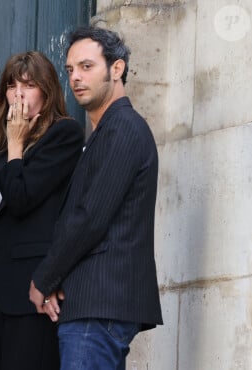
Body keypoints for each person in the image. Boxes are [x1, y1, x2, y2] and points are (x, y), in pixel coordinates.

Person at [29, 26, 163, 370]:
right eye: (71, 69)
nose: (75, 77)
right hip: (93, 305)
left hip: (99, 305)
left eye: (86, 67)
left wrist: (44, 279)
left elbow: (90, 217)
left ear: (116, 69)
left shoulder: (123, 128)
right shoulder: (106, 131)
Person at [0, 51, 84, 370]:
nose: (18, 94)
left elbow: (20, 199)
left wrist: (16, 146)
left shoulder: (64, 134)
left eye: (29, 85)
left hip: (30, 290)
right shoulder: (9, 147)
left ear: (47, 94)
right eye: (12, 85)